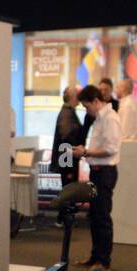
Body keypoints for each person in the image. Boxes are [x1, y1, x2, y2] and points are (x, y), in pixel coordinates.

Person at [72, 84, 120, 271]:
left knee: (102, 217)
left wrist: (86, 151)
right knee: (95, 216)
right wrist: (86, 153)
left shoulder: (110, 119)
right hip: (97, 171)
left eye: (86, 106)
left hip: (105, 173)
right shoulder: (100, 118)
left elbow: (111, 149)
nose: (86, 110)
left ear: (96, 101)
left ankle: (104, 261)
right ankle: (95, 257)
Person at [50, 86, 83, 227]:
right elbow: (66, 139)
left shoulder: (68, 112)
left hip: (67, 157)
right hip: (67, 158)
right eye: (78, 95)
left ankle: (63, 218)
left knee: (68, 188)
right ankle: (63, 219)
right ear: (72, 97)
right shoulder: (67, 114)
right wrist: (69, 164)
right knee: (68, 188)